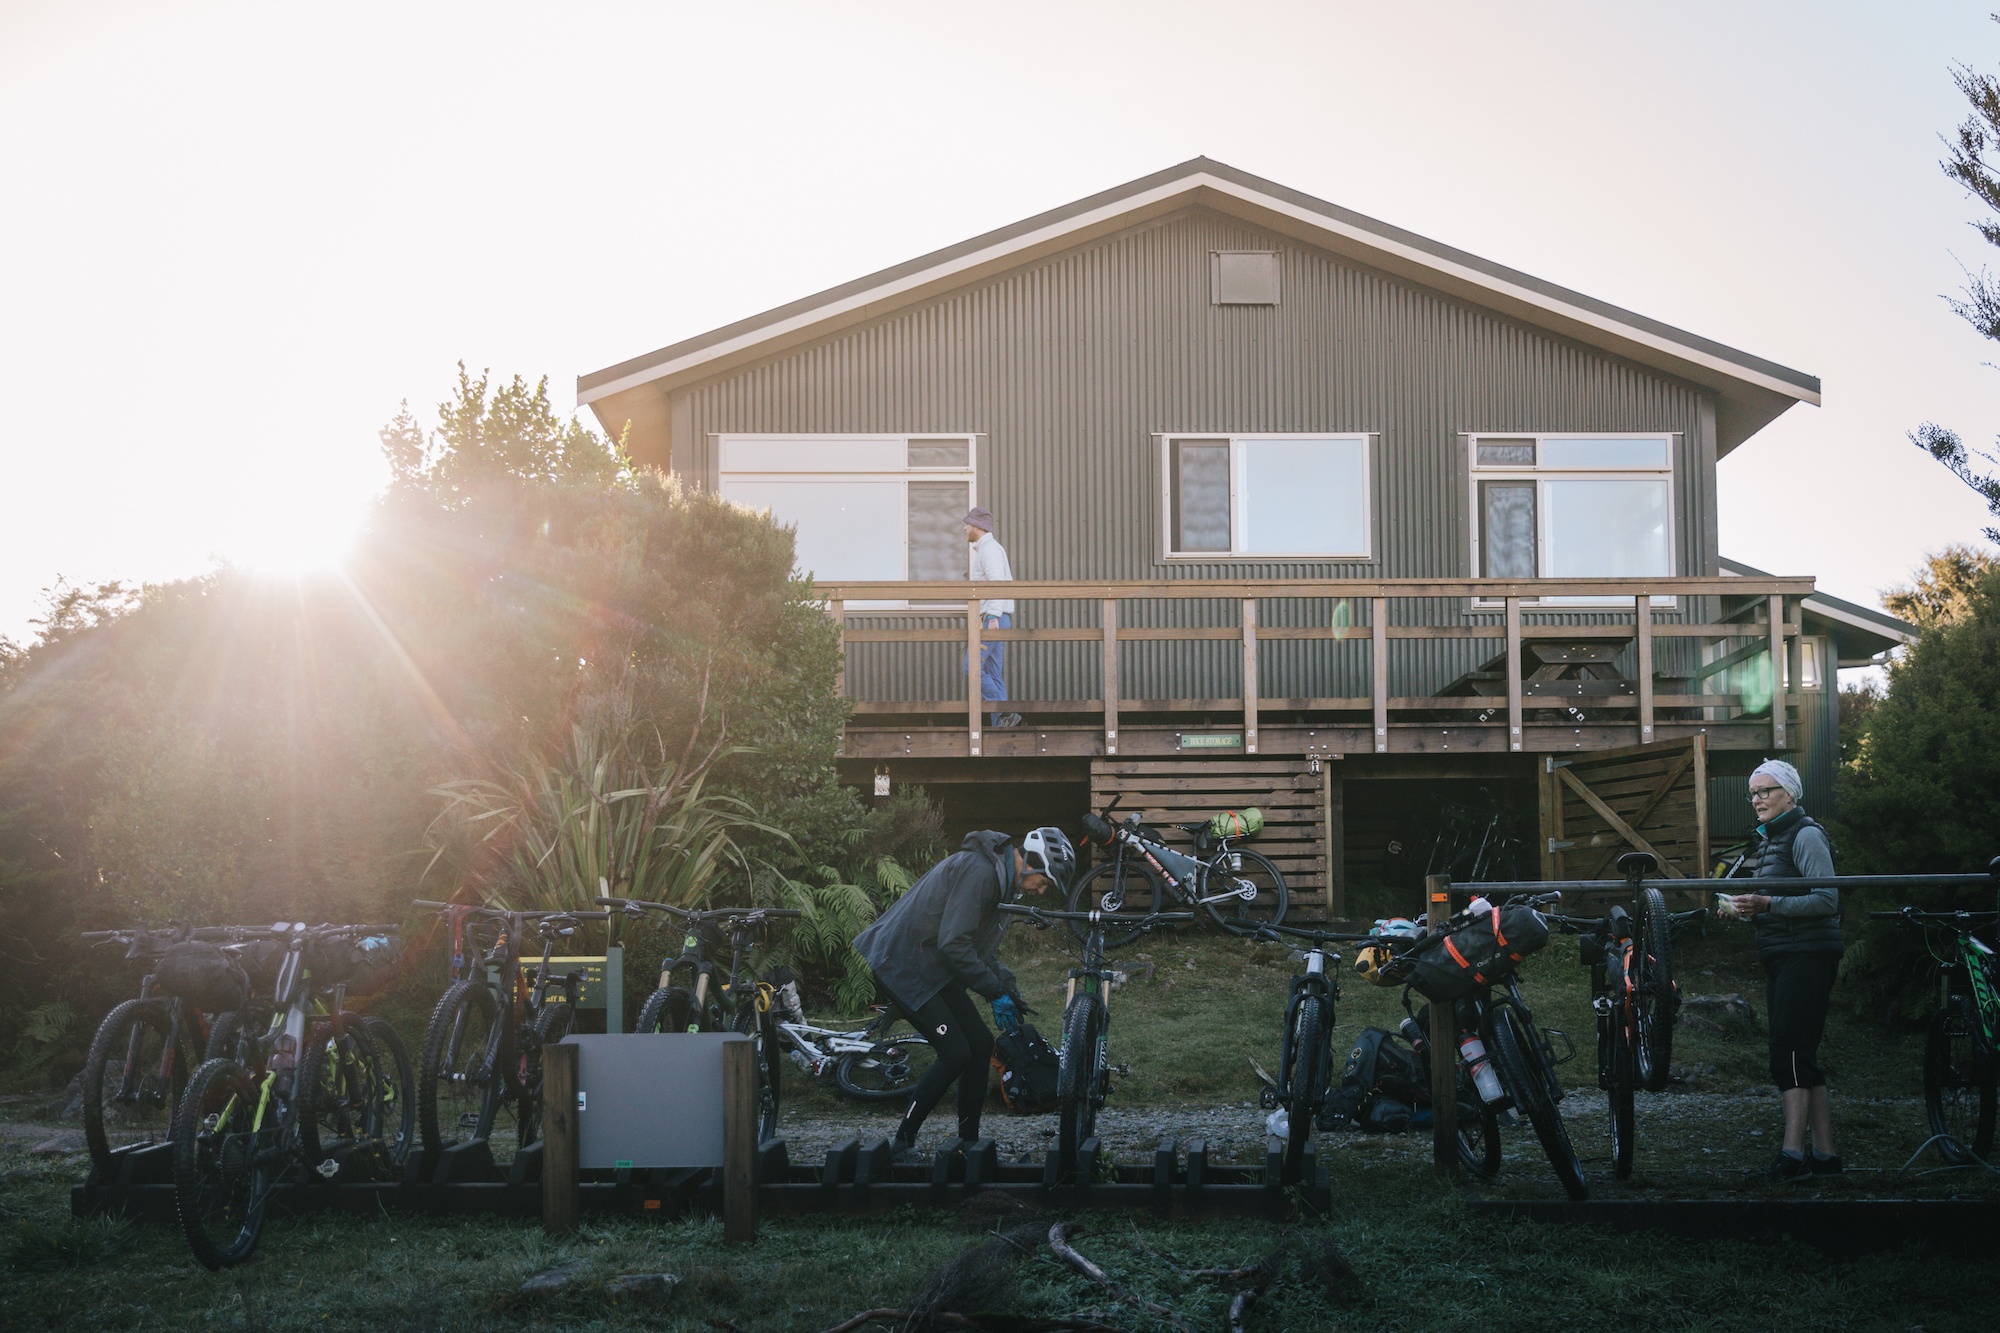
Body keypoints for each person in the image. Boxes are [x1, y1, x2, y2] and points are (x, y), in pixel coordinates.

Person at [853, 826, 1076, 1159]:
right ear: (1030, 864)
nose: (1041, 891)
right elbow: (954, 945)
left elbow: (976, 949)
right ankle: (901, 1143)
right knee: (955, 1052)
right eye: (1043, 882)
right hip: (902, 964)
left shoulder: (998, 882)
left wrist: (1006, 989)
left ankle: (968, 1144)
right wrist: (992, 993)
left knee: (981, 1044)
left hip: (930, 966)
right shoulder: (980, 873)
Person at [1726, 758, 1843, 1180]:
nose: (1757, 799)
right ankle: (1826, 1156)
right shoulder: (1771, 840)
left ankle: (1792, 1155)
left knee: (1789, 1052)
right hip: (1784, 952)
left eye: (1765, 791)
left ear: (1789, 793)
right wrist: (1746, 911)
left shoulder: (1806, 834)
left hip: (1807, 954)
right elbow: (1776, 903)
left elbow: (1827, 900)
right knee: (1802, 1054)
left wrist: (1768, 903)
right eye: (1753, 793)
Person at [964, 506, 1021, 728]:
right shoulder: (989, 549)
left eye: (967, 524)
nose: (964, 528)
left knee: (972, 667)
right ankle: (1002, 723)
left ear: (978, 527)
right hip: (998, 616)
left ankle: (1004, 712)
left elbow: (998, 583)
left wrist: (993, 617)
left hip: (993, 618)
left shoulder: (989, 550)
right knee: (992, 671)